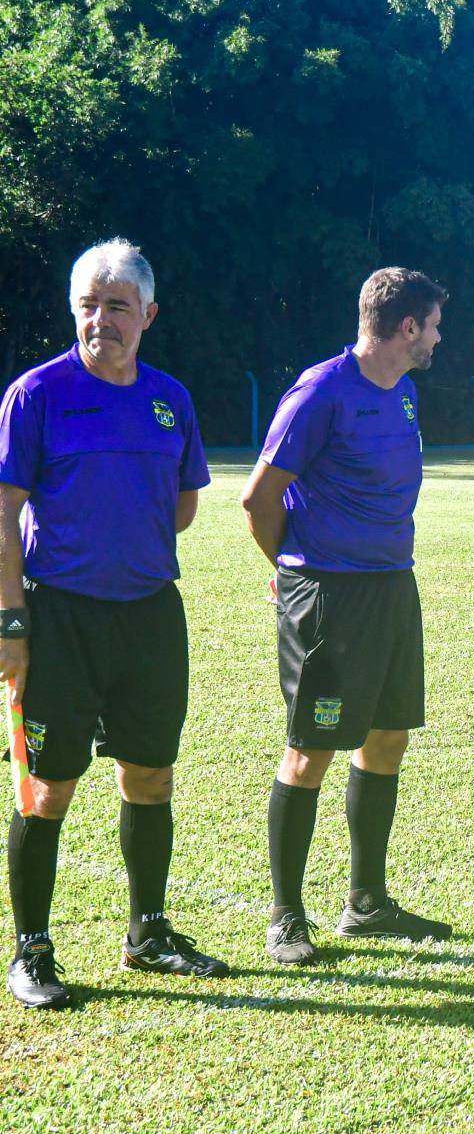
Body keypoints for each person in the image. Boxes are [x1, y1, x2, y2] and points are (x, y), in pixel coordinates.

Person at [0, 240, 230, 1011]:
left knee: (150, 773)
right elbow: (3, 516)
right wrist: (11, 622)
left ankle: (147, 930)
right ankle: (31, 949)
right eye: (89, 306)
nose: (102, 320)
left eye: (118, 305)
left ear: (149, 314)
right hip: (60, 616)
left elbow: (185, 502)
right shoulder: (36, 394)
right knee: (47, 786)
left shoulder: (171, 397)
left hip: (151, 614)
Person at [241, 268, 452, 965]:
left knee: (387, 738)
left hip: (394, 588)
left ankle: (366, 901)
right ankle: (285, 915)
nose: (439, 336)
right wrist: (295, 572)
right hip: (329, 597)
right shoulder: (321, 390)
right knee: (312, 750)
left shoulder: (407, 392)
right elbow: (259, 498)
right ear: (407, 327)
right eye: (434, 324)